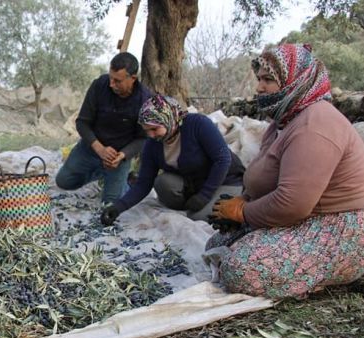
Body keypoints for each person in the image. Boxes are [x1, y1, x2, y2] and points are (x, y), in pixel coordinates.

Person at [207, 43, 364, 300]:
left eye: (268, 79)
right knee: (215, 245)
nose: (259, 87)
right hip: (302, 218)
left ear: (298, 79)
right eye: (259, 79)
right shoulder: (283, 121)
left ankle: (341, 272)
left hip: (338, 225)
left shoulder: (315, 123)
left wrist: (243, 212)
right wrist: (241, 203)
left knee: (241, 268)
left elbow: (293, 203)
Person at [100, 94, 245, 225]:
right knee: (163, 182)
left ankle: (228, 200)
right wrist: (118, 207)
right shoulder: (152, 144)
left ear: (168, 120)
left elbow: (222, 159)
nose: (150, 135)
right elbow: (143, 183)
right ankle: (192, 205)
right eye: (146, 130)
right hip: (195, 183)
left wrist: (204, 196)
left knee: (198, 217)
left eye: (154, 129)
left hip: (226, 180)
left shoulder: (198, 125)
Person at [55, 52, 152, 203]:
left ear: (132, 78)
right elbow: (82, 122)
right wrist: (99, 149)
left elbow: (143, 139)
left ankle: (124, 181)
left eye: (117, 81)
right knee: (64, 181)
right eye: (110, 77)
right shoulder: (100, 85)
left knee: (111, 202)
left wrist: (122, 156)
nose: (111, 84)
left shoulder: (145, 100)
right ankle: (102, 174)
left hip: (118, 157)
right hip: (92, 147)